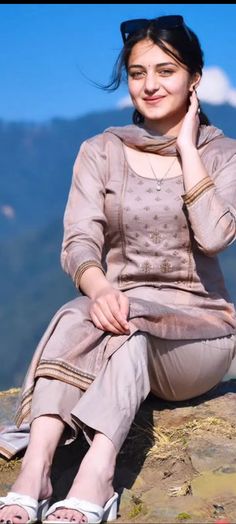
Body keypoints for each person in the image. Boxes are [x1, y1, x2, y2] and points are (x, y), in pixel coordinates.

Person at [1, 13, 236, 524]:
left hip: (199, 334)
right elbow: (79, 241)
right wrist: (100, 287)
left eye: (166, 71)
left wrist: (188, 149)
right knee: (74, 313)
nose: (149, 85)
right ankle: (37, 469)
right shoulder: (101, 151)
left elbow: (217, 236)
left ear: (195, 79)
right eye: (137, 73)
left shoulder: (224, 157)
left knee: (131, 330)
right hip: (118, 313)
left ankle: (97, 475)